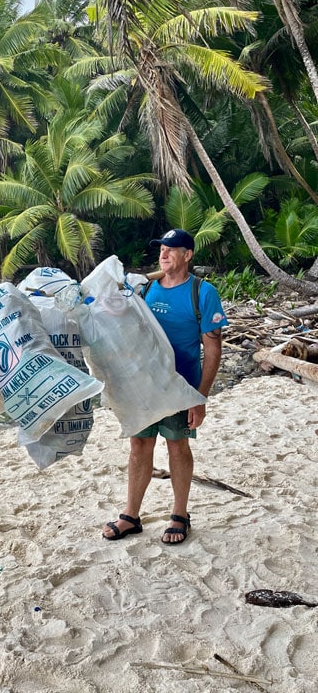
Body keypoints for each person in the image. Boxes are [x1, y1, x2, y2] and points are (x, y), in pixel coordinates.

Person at [102, 229, 228, 545]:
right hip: (141, 385)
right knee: (139, 446)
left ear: (188, 255)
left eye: (172, 249)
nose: (164, 253)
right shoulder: (145, 288)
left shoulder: (202, 292)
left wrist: (200, 397)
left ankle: (180, 514)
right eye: (161, 248)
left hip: (180, 386)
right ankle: (131, 515)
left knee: (176, 446)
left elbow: (213, 351)